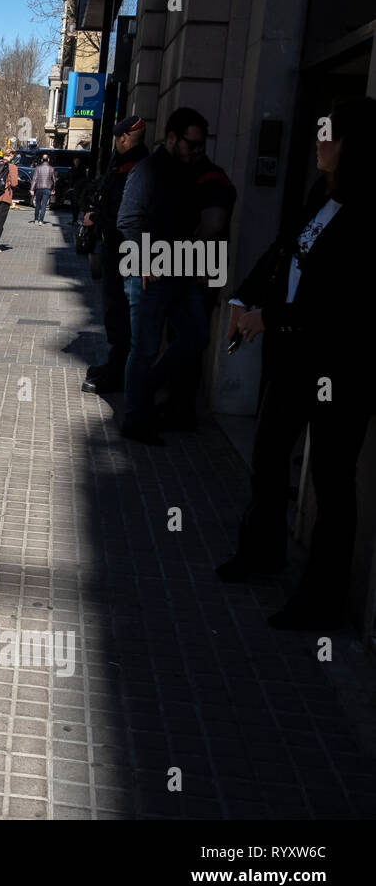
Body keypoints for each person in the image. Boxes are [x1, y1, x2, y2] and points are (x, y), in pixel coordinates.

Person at [215, 96, 376, 630]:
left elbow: (344, 299)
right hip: (292, 358)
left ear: (356, 143)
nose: (319, 143)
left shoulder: (368, 208)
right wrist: (243, 297)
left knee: (331, 482)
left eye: (329, 134)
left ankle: (322, 598)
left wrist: (271, 317)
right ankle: (262, 553)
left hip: (341, 367)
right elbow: (285, 251)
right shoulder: (319, 193)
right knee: (268, 455)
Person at [115, 107, 211, 445]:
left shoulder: (189, 172)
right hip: (148, 275)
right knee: (144, 348)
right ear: (171, 138)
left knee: (197, 336)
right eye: (192, 144)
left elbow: (190, 224)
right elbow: (127, 218)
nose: (197, 151)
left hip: (182, 270)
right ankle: (134, 419)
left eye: (201, 146)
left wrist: (199, 264)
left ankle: (145, 390)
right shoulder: (148, 169)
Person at [158, 145, 236, 430]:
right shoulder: (213, 177)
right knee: (188, 337)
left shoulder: (208, 179)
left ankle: (180, 409)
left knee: (188, 338)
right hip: (200, 269)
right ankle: (178, 405)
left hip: (197, 271)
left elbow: (213, 224)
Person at [82, 115, 148, 395]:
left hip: (126, 250)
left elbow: (123, 212)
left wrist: (95, 218)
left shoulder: (136, 166)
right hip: (119, 248)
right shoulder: (124, 163)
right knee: (115, 312)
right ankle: (115, 365)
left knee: (120, 314)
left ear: (123, 138)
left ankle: (119, 374)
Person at [30, 153, 55, 224]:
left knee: (38, 204)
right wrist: (53, 189)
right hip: (47, 188)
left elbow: (34, 179)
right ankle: (41, 220)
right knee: (44, 205)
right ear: (48, 160)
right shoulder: (51, 168)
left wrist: (32, 189)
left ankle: (35, 219)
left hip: (39, 188)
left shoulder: (38, 168)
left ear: (41, 160)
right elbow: (53, 180)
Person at [69, 156, 89, 225]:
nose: (76, 162)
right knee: (73, 205)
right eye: (75, 161)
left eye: (77, 161)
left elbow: (84, 179)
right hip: (73, 189)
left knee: (77, 205)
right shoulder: (72, 168)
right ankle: (74, 219)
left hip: (79, 190)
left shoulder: (82, 169)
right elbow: (70, 178)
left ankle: (77, 219)